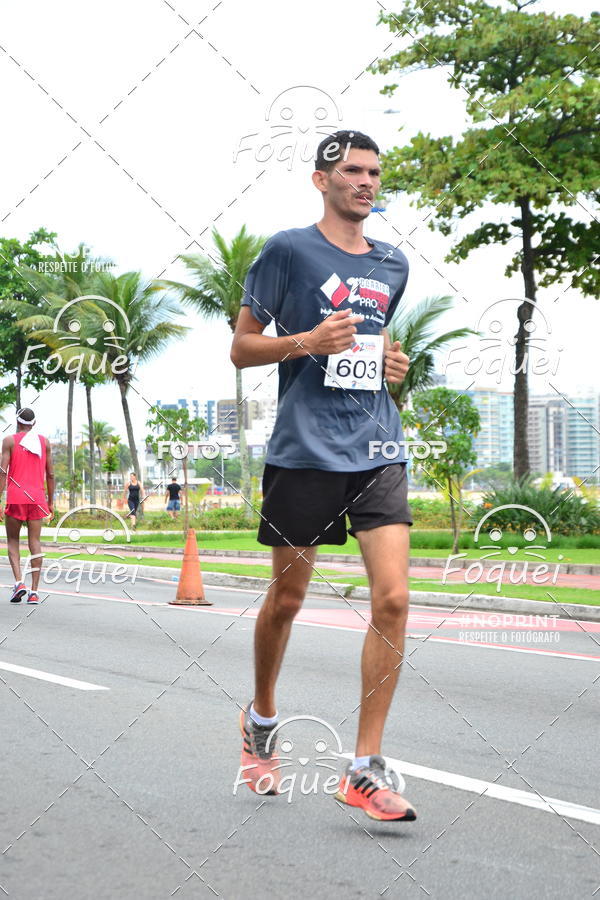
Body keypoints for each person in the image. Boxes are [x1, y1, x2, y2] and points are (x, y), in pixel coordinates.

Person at [231, 130, 416, 822]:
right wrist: (305, 341)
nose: (367, 182)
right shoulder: (287, 251)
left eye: (374, 172)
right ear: (322, 180)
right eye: (353, 171)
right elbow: (241, 347)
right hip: (304, 451)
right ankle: (261, 719)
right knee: (287, 601)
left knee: (394, 600)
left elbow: (375, 342)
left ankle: (364, 769)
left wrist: (394, 367)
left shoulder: (394, 263)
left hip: (376, 447)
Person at [0, 408, 54, 604]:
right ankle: (34, 592)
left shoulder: (9, 441)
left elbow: (2, 472)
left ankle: (18, 583)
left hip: (15, 497)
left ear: (17, 422)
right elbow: (51, 474)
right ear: (34, 423)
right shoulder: (44, 442)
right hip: (37, 499)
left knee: (13, 541)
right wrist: (51, 502)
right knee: (35, 543)